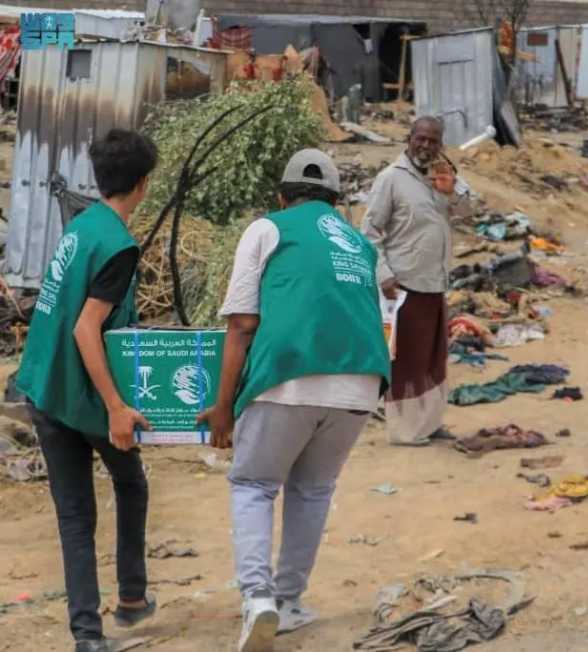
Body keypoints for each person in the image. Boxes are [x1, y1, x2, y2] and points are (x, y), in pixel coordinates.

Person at [198, 149, 390, 652]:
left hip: (288, 378)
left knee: (254, 484)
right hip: (361, 383)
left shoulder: (268, 228)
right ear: (335, 201)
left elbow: (241, 322)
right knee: (313, 490)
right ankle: (290, 602)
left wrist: (223, 407)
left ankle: (259, 598)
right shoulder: (359, 242)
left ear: (282, 197)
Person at [17, 129, 159, 652]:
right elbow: (85, 329)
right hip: (83, 395)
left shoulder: (81, 225)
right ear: (143, 184)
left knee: (75, 515)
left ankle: (88, 635)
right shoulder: (119, 245)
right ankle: (130, 597)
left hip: (44, 386)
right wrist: (119, 407)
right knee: (130, 483)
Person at [361, 117, 471, 446]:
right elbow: (369, 233)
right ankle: (406, 432)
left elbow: (468, 213)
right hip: (404, 287)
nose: (425, 146)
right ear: (409, 139)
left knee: (434, 359)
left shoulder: (440, 177)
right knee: (408, 361)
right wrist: (383, 275)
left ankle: (430, 424)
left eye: (433, 141)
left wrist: (452, 190)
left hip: (434, 283)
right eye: (420, 139)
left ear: (440, 144)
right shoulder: (391, 179)